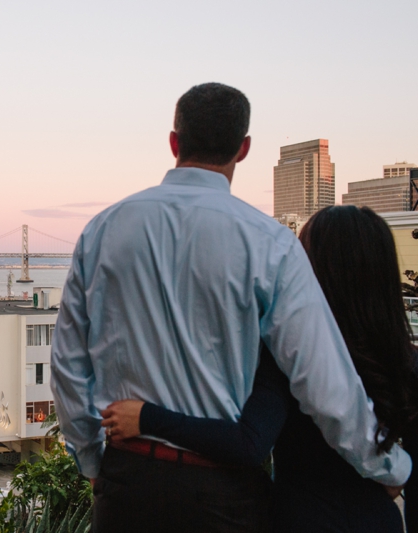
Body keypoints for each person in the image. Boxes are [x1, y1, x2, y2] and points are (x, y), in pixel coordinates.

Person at [50, 83, 411, 533]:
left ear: (174, 142)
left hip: (128, 482)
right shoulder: (270, 244)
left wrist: (92, 460)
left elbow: (67, 364)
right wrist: (389, 467)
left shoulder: (102, 229)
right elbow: (325, 382)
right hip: (221, 493)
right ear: (243, 149)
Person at [102, 205, 418, 532]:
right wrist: (399, 470)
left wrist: (146, 418)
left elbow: (249, 442)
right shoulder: (406, 364)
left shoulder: (289, 355)